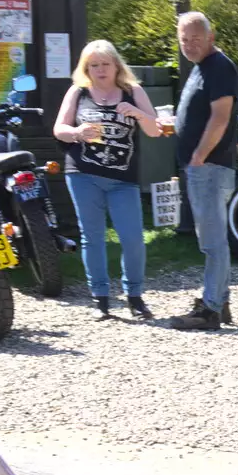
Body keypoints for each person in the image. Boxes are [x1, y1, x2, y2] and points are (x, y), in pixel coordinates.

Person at [52, 40, 161, 322]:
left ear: (116, 66)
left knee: (133, 238)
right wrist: (77, 132)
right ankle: (100, 299)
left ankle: (134, 296)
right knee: (92, 237)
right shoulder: (78, 92)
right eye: (94, 65)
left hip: (123, 178)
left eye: (105, 64)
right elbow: (59, 129)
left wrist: (137, 113)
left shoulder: (132, 91)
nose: (100, 70)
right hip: (83, 174)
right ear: (86, 68)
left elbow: (155, 130)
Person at [166, 12, 238, 330]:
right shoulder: (201, 69)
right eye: (184, 39)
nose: (189, 45)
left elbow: (221, 117)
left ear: (211, 37)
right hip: (204, 165)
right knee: (211, 237)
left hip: (210, 165)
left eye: (196, 38)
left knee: (212, 241)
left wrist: (199, 154)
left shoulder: (220, 67)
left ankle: (210, 309)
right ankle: (220, 302)